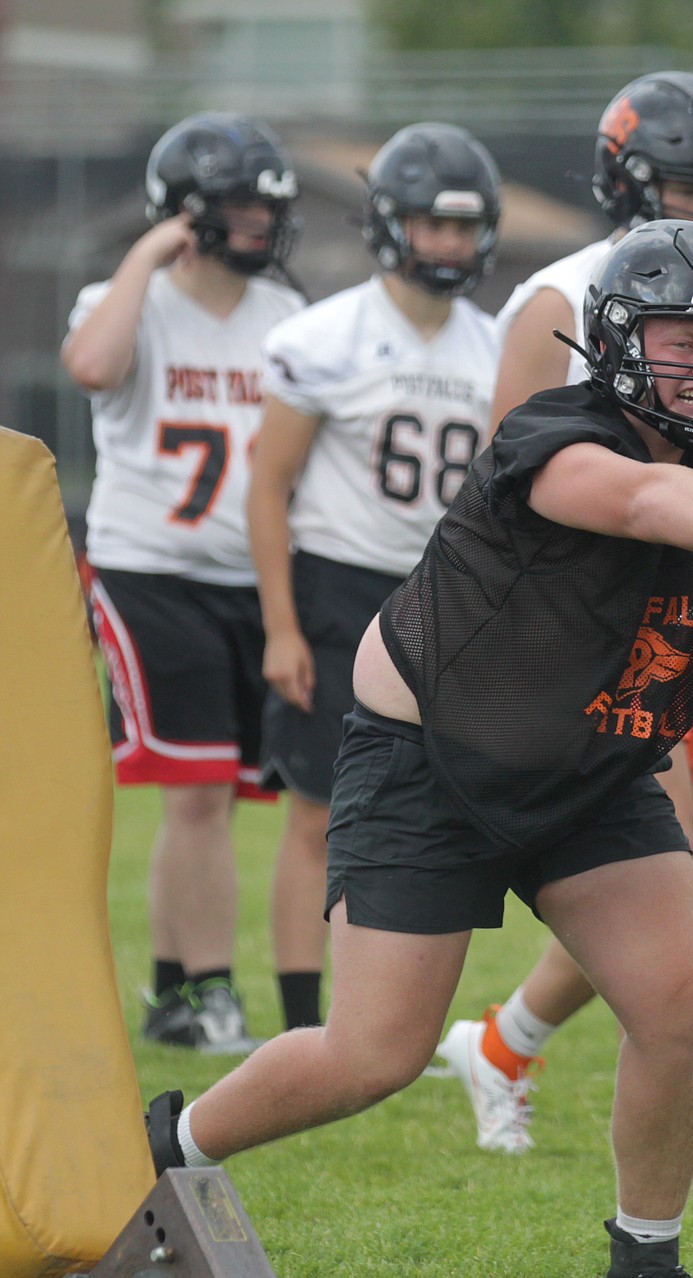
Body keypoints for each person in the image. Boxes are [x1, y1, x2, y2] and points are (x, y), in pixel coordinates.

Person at [145, 219, 693, 1278]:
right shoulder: (548, 434)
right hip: (433, 761)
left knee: (681, 1007)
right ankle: (162, 1157)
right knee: (371, 1055)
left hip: (590, 768)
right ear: (615, 338)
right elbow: (650, 501)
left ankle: (648, 1260)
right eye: (677, 338)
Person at [436, 68, 693, 1158]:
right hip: (571, 638)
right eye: (682, 188)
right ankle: (586, 1062)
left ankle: (513, 1046)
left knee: (672, 876)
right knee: (644, 882)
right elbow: (512, 482)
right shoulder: (559, 298)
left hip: (689, 626)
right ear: (626, 183)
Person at [248, 123, 502, 1031]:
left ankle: (381, 1009)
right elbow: (268, 484)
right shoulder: (323, 336)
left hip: (448, 599)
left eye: (463, 228)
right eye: (431, 224)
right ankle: (299, 1017)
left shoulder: (500, 346)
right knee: (317, 812)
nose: (447, 245)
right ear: (390, 225)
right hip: (339, 590)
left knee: (430, 815)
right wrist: (281, 625)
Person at [61, 112, 304, 1054]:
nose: (258, 224)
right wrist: (149, 254)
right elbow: (90, 365)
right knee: (196, 789)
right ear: (187, 212)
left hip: (253, 577)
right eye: (238, 206)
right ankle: (208, 991)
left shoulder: (284, 318)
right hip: (149, 568)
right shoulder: (125, 300)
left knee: (217, 792)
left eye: (265, 208)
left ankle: (172, 992)